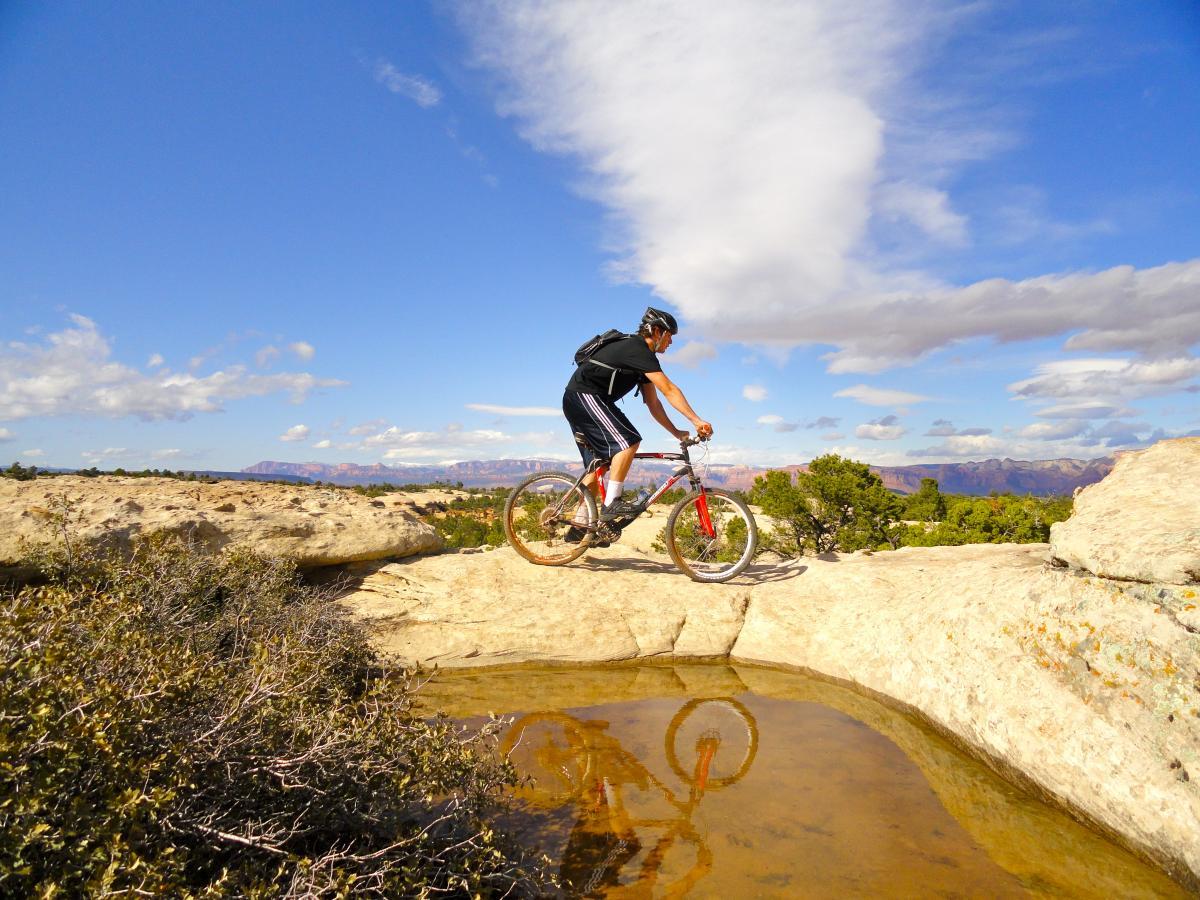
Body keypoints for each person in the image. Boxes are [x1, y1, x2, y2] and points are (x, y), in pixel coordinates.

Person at [562, 307, 714, 533]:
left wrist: (676, 432)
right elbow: (670, 389)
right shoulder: (637, 349)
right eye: (670, 335)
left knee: (598, 468)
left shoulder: (642, 361)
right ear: (656, 331)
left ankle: (579, 530)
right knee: (629, 441)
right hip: (584, 396)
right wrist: (696, 420)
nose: (671, 342)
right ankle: (613, 503)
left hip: (583, 400)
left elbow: (654, 404)